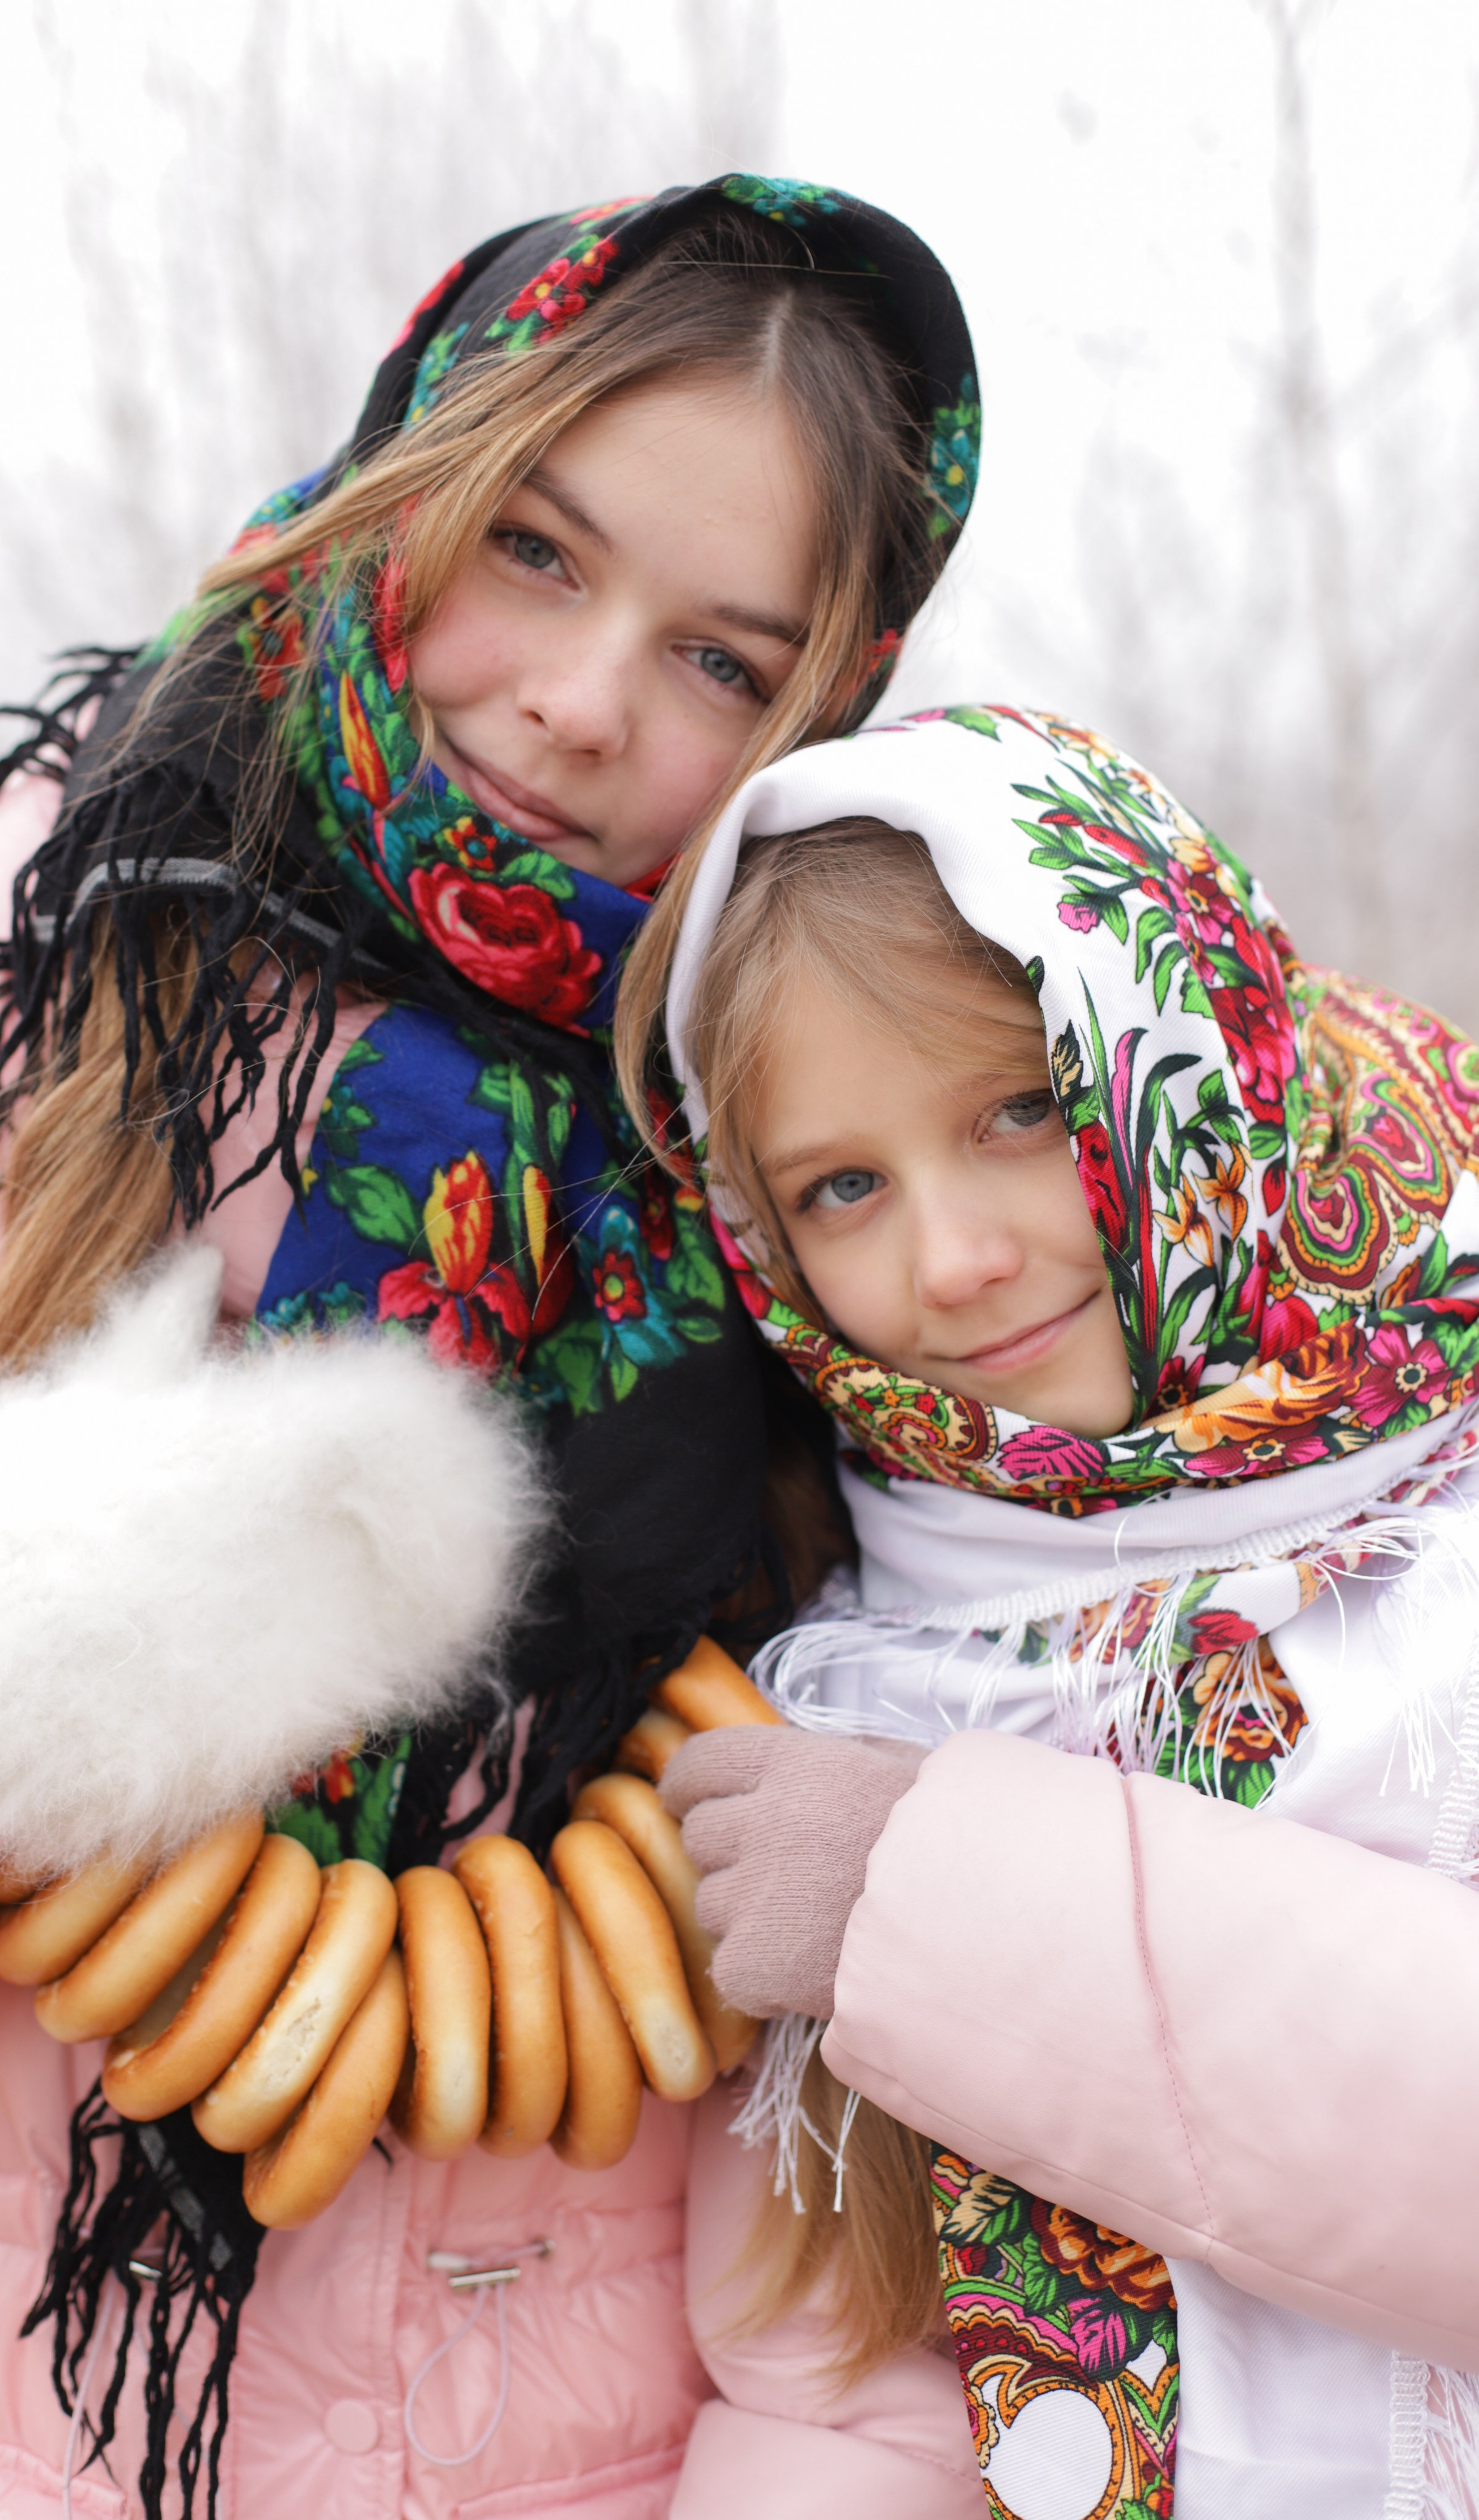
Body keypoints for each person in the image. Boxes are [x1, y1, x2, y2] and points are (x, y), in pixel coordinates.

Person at [0, 181, 983, 2518]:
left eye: (723, 662)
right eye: (537, 550)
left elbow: (859, 2194)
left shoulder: (840, 1225)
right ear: (399, 484)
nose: (578, 700)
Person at [629, 704, 1479, 2517]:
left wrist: (930, 1897)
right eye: (840, 1188)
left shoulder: (1448, 1525)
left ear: (1189, 1045)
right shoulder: (853, 1679)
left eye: (1021, 1107)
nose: (949, 1262)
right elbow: (834, 2386)